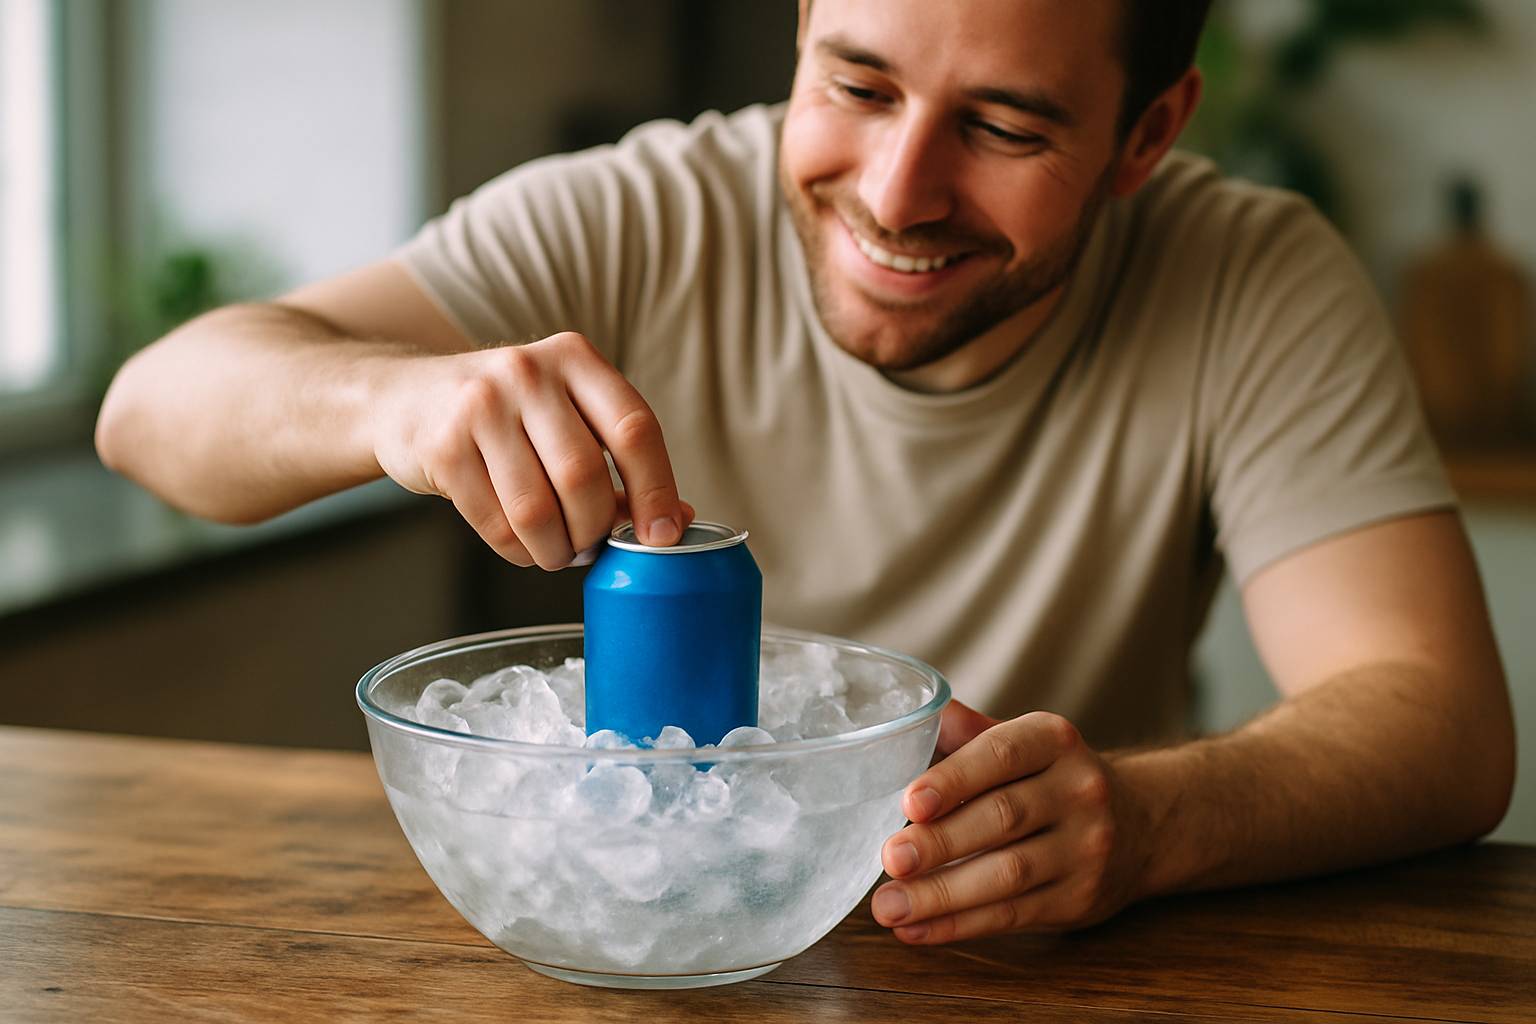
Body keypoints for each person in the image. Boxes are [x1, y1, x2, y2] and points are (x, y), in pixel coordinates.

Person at [95, 0, 1515, 945]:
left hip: (1046, 966)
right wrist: (390, 397)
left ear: (1148, 133)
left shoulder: (1250, 278)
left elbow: (1440, 724)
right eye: (856, 84)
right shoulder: (642, 213)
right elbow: (153, 417)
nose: (896, 195)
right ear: (798, 36)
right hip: (634, 942)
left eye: (1006, 127)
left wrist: (1147, 825)